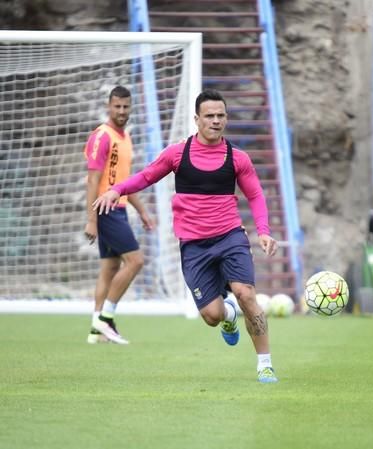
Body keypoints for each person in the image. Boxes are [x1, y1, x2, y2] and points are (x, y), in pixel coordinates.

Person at [93, 89, 279, 383]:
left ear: (226, 118)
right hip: (194, 246)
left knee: (246, 294)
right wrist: (117, 190)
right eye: (209, 116)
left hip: (230, 237)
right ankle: (229, 316)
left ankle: (265, 364)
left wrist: (264, 232)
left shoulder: (238, 158)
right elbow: (146, 176)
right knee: (212, 316)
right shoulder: (177, 154)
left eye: (221, 116)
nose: (215, 121)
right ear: (197, 119)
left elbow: (255, 195)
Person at [84, 85, 155, 345]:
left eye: (126, 106)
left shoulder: (125, 137)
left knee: (110, 268)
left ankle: (95, 330)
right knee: (135, 261)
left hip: (120, 209)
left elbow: (125, 182)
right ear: (108, 106)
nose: (121, 111)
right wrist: (92, 219)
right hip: (106, 210)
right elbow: (93, 180)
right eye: (117, 106)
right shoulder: (102, 136)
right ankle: (105, 318)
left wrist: (143, 211)